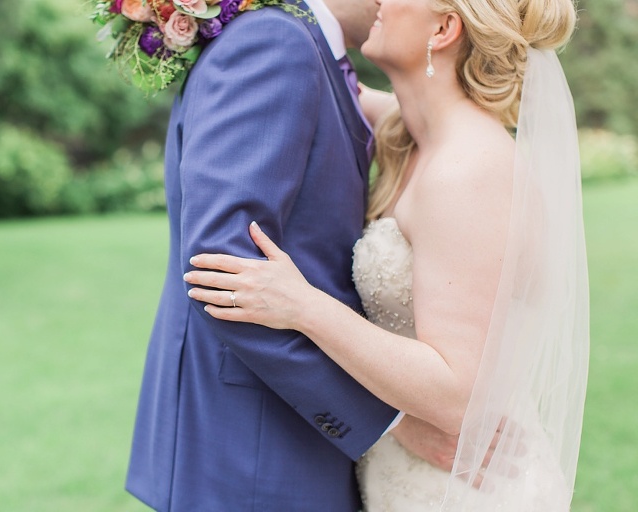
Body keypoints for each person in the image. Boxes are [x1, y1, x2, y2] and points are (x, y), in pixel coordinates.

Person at [184, 0, 590, 510]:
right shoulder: (409, 132)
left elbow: (454, 394)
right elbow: (313, 77)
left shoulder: (470, 171)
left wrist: (305, 306)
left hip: (461, 485)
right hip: (398, 476)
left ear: (443, 28)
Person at [126, 0, 463, 510]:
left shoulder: (316, 54)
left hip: (279, 435)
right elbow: (224, 269)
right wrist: (388, 420)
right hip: (253, 446)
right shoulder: (275, 45)